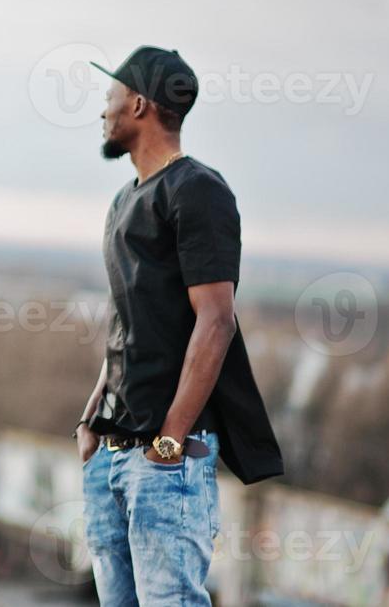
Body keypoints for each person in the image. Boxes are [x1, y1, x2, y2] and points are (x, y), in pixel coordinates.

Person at [74, 45, 282, 606]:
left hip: (166, 462)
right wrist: (91, 418)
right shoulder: (123, 201)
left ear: (139, 104)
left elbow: (216, 321)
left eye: (111, 95)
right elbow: (128, 320)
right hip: (112, 454)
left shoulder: (198, 191)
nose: (103, 109)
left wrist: (169, 440)